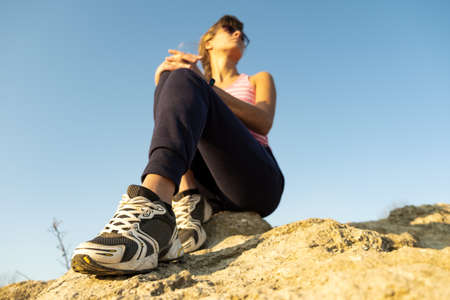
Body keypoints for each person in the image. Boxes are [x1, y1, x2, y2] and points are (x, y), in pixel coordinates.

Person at [71, 15, 284, 275]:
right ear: (208, 42)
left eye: (243, 34)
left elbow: (263, 121)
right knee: (169, 79)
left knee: (183, 80)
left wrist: (203, 85)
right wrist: (169, 81)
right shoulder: (194, 82)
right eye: (230, 29)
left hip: (255, 180)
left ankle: (154, 209)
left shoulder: (257, 78)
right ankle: (185, 200)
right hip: (211, 188)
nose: (239, 34)